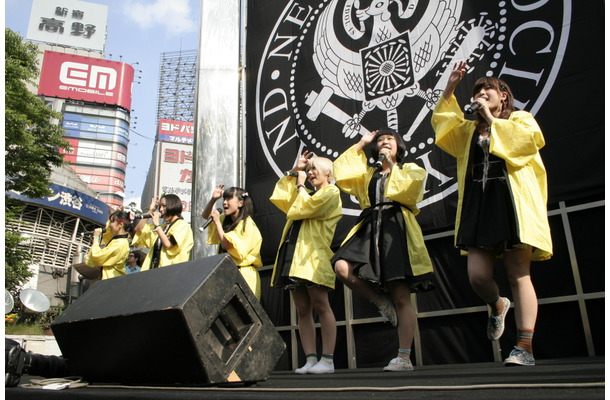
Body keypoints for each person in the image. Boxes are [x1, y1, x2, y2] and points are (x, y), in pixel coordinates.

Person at [431, 61, 553, 366]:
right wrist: (451, 88)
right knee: (477, 276)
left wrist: (491, 119)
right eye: (478, 91)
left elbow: (525, 144)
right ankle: (498, 305)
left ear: (504, 98)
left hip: (512, 204)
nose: (482, 94)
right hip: (480, 205)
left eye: (488, 90)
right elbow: (444, 126)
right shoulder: (467, 130)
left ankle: (524, 346)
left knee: (518, 273)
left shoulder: (521, 120)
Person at [332, 128, 435, 372]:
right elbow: (342, 173)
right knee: (341, 267)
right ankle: (380, 301)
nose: (384, 142)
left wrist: (393, 166)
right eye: (380, 140)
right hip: (370, 226)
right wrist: (361, 142)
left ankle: (404, 357)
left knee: (401, 295)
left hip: (396, 228)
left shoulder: (411, 169)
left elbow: (409, 192)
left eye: (389, 139)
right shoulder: (368, 174)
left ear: (399, 145)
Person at [270, 151, 342, 374]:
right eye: (308, 170)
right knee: (302, 309)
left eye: (314, 169)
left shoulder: (331, 193)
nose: (310, 173)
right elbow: (283, 200)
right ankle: (310, 359)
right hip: (295, 256)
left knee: (321, 306)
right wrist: (294, 172)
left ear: (328, 173)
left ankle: (327, 360)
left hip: (314, 255)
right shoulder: (307, 193)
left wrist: (301, 186)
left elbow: (303, 209)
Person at [202, 186, 263, 300]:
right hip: (226, 273)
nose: (224, 202)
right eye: (224, 199)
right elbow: (205, 215)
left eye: (229, 199)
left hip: (243, 275)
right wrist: (213, 199)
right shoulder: (226, 220)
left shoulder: (247, 224)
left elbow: (226, 245)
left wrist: (218, 224)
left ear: (240, 203)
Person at [132, 194, 194, 270]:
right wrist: (151, 210)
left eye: (164, 206)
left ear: (173, 205)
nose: (161, 209)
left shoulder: (182, 225)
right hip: (155, 270)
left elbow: (168, 244)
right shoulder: (164, 227)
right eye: (160, 207)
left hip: (171, 272)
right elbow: (139, 229)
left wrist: (157, 226)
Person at [85, 210, 131, 279]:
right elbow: (107, 231)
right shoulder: (119, 240)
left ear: (120, 224)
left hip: (110, 281)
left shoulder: (119, 243)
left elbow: (97, 256)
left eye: (112, 221)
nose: (109, 225)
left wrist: (96, 237)